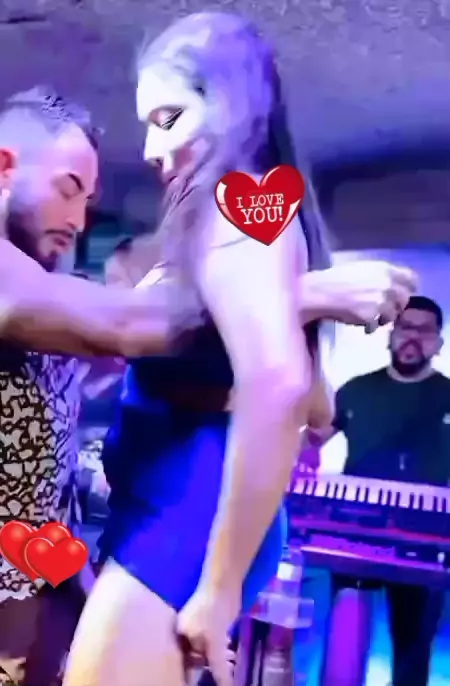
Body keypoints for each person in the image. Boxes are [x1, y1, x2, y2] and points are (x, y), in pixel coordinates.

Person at [62, 13, 417, 686]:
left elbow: (281, 387)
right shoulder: (254, 222)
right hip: (173, 512)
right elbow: (314, 402)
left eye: (168, 118)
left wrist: (219, 590)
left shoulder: (234, 211)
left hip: (183, 516)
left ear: (230, 105)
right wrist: (299, 298)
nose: (150, 148)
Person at [0, 84, 211, 686]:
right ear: (4, 168)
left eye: (87, 200)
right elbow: (120, 327)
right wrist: (287, 296)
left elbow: (36, 469)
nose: (78, 219)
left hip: (26, 593)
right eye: (68, 189)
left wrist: (85, 593)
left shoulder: (35, 287)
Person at [299, 295, 448, 686]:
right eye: (405, 327)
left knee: (413, 645)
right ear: (390, 334)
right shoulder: (357, 391)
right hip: (355, 533)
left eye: (424, 330)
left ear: (438, 342)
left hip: (426, 541)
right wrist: (301, 454)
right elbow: (311, 442)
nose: (412, 337)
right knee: (345, 638)